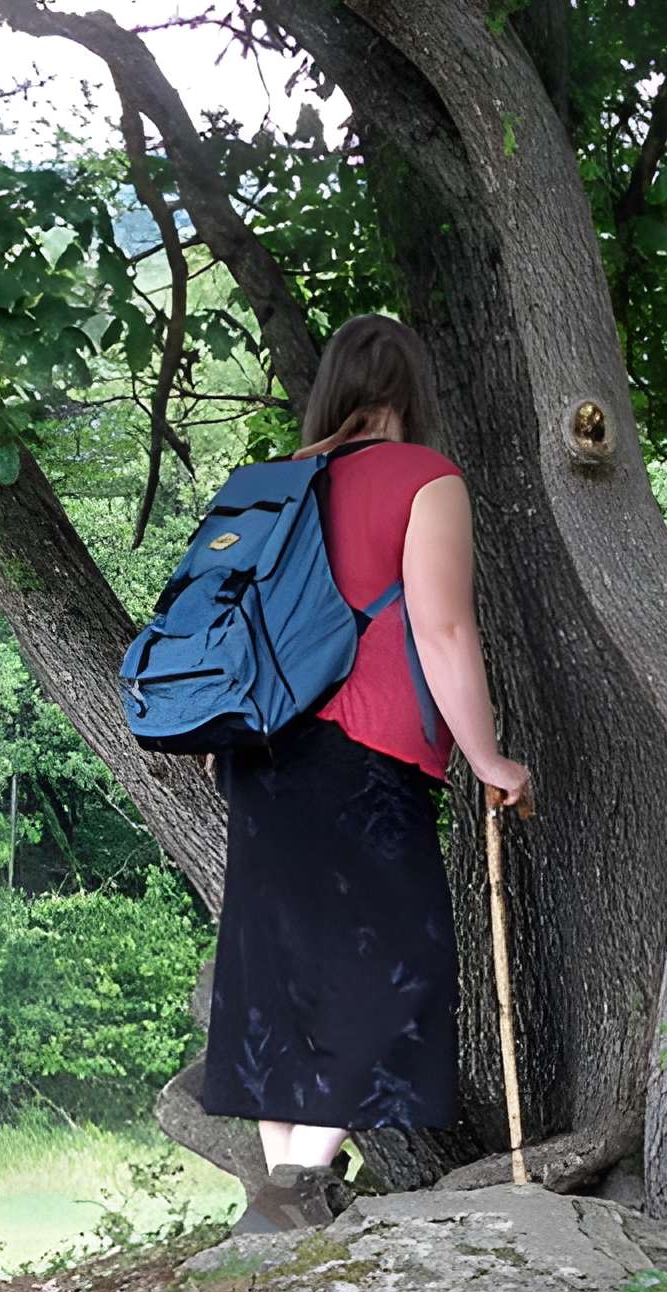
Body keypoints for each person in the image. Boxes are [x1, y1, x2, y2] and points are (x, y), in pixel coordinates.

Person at [198, 314, 531, 1237]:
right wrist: (487, 757)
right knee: (392, 965)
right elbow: (443, 628)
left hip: (263, 753)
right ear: (408, 393)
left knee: (286, 971)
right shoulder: (424, 476)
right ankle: (297, 1184)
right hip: (368, 754)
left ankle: (286, 1189)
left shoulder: (268, 489)